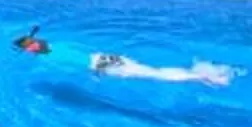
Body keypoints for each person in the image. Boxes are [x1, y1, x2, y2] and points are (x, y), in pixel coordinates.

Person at [90, 52, 240, 86]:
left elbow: (100, 71)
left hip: (149, 72)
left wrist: (96, 75)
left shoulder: (125, 70)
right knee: (162, 73)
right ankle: (207, 75)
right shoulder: (126, 64)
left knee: (163, 75)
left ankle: (208, 77)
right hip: (147, 69)